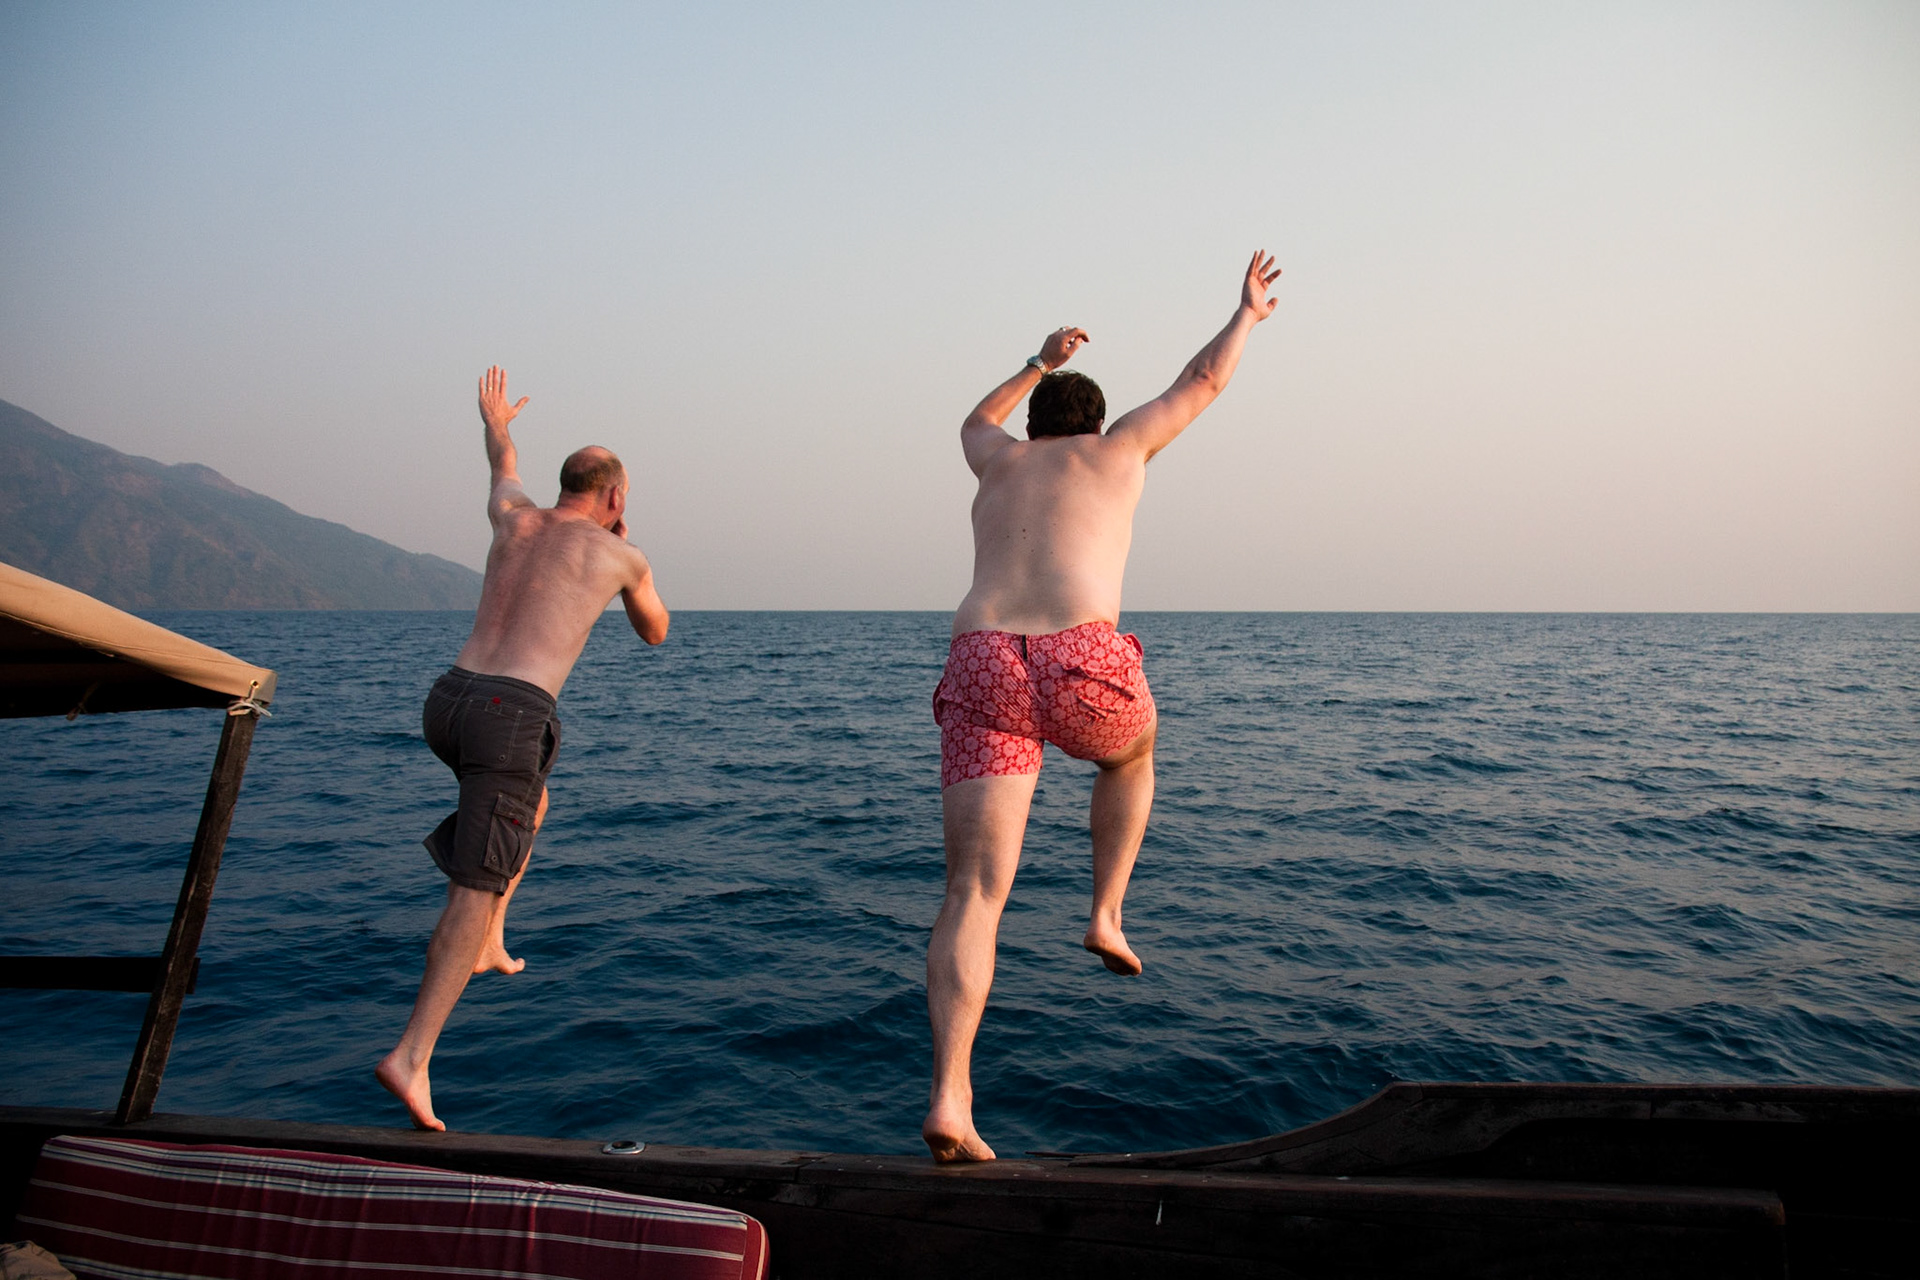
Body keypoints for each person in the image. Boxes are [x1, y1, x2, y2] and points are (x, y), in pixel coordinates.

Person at [924, 251, 1283, 1162]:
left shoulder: (996, 463)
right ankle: (1105, 911)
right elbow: (1202, 381)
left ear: (1039, 420)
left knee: (972, 893)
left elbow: (972, 418)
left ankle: (951, 1101)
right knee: (1133, 751)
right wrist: (1244, 314)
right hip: (1080, 652)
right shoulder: (1121, 449)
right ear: (1094, 422)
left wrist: (1036, 360)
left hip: (982, 659)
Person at [377, 366, 669, 1132]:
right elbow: (656, 630)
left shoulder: (512, 516)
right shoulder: (619, 555)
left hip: (449, 699)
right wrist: (625, 550)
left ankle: (494, 937)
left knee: (532, 801)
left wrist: (498, 420)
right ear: (615, 497)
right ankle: (412, 1056)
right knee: (474, 884)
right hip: (512, 712)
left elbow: (501, 461)